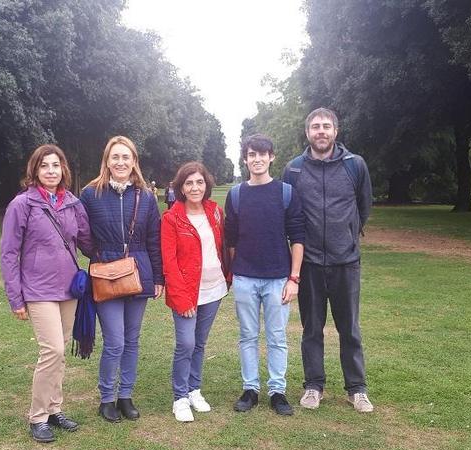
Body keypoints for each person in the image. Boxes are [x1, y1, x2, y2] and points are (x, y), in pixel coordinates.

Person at [282, 107, 375, 413]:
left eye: (326, 126)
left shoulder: (354, 165)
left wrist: (348, 235)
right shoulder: (294, 169)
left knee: (349, 328)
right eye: (315, 127)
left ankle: (357, 389)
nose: (320, 131)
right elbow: (289, 213)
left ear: (336, 131)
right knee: (311, 329)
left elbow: (364, 207)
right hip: (308, 264)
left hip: (345, 262)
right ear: (307, 133)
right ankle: (313, 386)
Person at [0, 144, 94, 443]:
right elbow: (8, 253)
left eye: (56, 165)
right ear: (35, 171)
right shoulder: (22, 205)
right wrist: (16, 298)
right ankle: (38, 416)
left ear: (63, 169)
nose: (51, 171)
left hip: (69, 288)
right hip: (38, 289)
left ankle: (55, 409)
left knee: (60, 350)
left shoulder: (72, 203)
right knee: (51, 350)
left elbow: (87, 242)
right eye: (45, 166)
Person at [81, 136, 164, 423]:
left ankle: (125, 395)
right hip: (105, 275)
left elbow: (154, 238)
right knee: (114, 341)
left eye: (125, 157)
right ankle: (106, 398)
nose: (120, 162)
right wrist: (101, 253)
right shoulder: (90, 194)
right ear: (106, 161)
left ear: (134, 162)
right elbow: (82, 234)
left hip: (139, 273)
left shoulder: (147, 197)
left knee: (132, 340)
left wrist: (158, 277)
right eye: (115, 157)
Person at [224, 134, 305, 416]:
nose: (257, 159)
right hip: (246, 278)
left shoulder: (285, 193)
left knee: (277, 336)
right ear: (245, 159)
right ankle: (250, 389)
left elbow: (298, 237)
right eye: (251, 154)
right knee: (247, 335)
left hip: (278, 278)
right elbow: (231, 240)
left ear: (271, 157)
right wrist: (239, 271)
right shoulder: (236, 195)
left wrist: (294, 278)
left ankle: (277, 391)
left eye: (262, 154)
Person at [161, 161, 229, 422]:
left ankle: (194, 389)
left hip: (214, 289)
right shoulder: (171, 218)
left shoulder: (215, 212)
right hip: (186, 292)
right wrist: (180, 296)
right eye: (189, 183)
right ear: (181, 187)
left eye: (199, 182)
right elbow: (169, 262)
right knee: (186, 343)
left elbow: (224, 246)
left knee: (199, 343)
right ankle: (179, 397)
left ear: (206, 184)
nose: (195, 187)